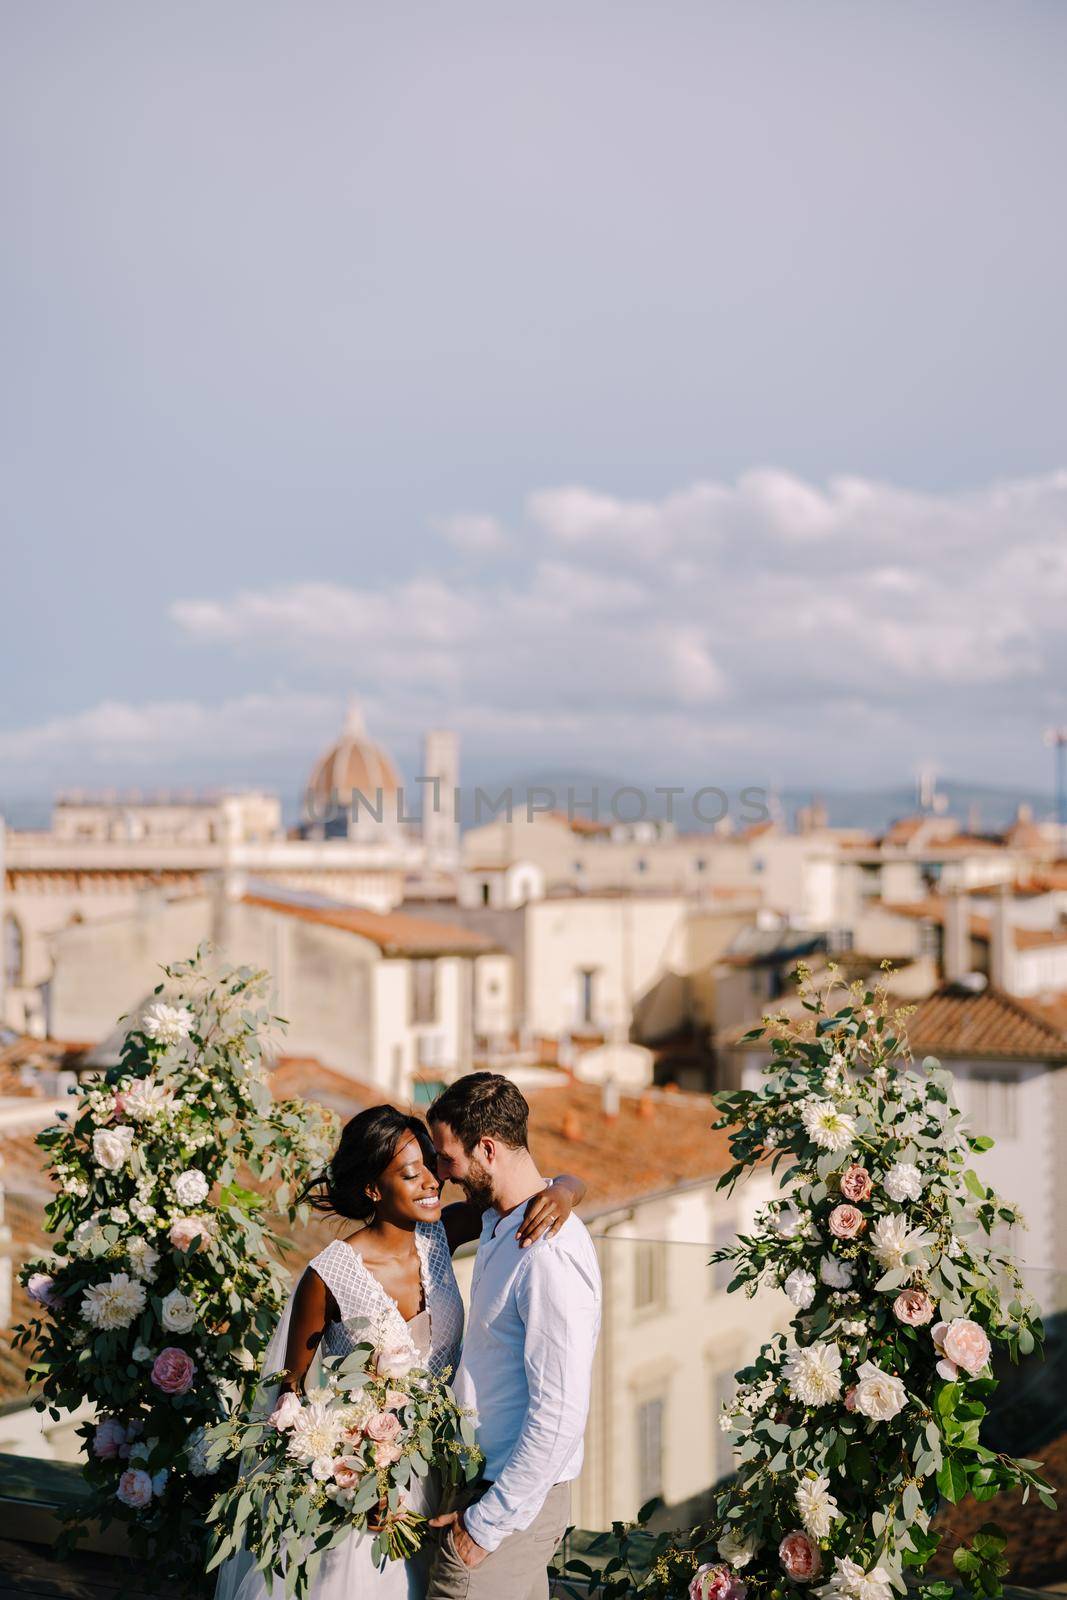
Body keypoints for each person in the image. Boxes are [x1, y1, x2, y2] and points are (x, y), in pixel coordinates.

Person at [214, 1103, 585, 1600]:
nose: (434, 1181)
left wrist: (565, 1191)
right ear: (373, 1188)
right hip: (362, 1493)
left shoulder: (443, 1233)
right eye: (414, 1174)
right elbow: (289, 1401)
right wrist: (347, 1478)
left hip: (445, 1476)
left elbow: (519, 1188)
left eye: (434, 1166)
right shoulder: (328, 1277)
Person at [424, 1074, 602, 1600]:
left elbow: (561, 1411)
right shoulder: (501, 1220)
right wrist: (567, 1185)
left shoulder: (546, 1254)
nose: (440, 1172)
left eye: (447, 1157)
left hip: (508, 1500)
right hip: (486, 1486)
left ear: (487, 1149)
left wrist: (483, 1527)